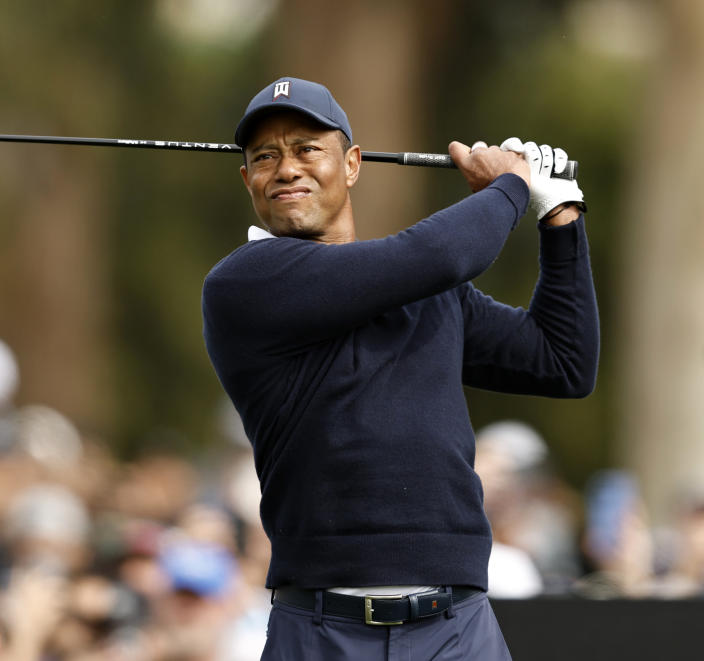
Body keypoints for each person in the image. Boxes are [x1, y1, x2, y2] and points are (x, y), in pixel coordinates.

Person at [201, 77, 599, 659]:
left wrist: (559, 213)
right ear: (248, 180)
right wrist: (513, 182)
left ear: (353, 164)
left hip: (457, 629)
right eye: (265, 156)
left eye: (307, 148)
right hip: (321, 631)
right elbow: (437, 253)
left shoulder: (431, 295)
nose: (286, 168)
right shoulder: (244, 284)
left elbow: (563, 362)